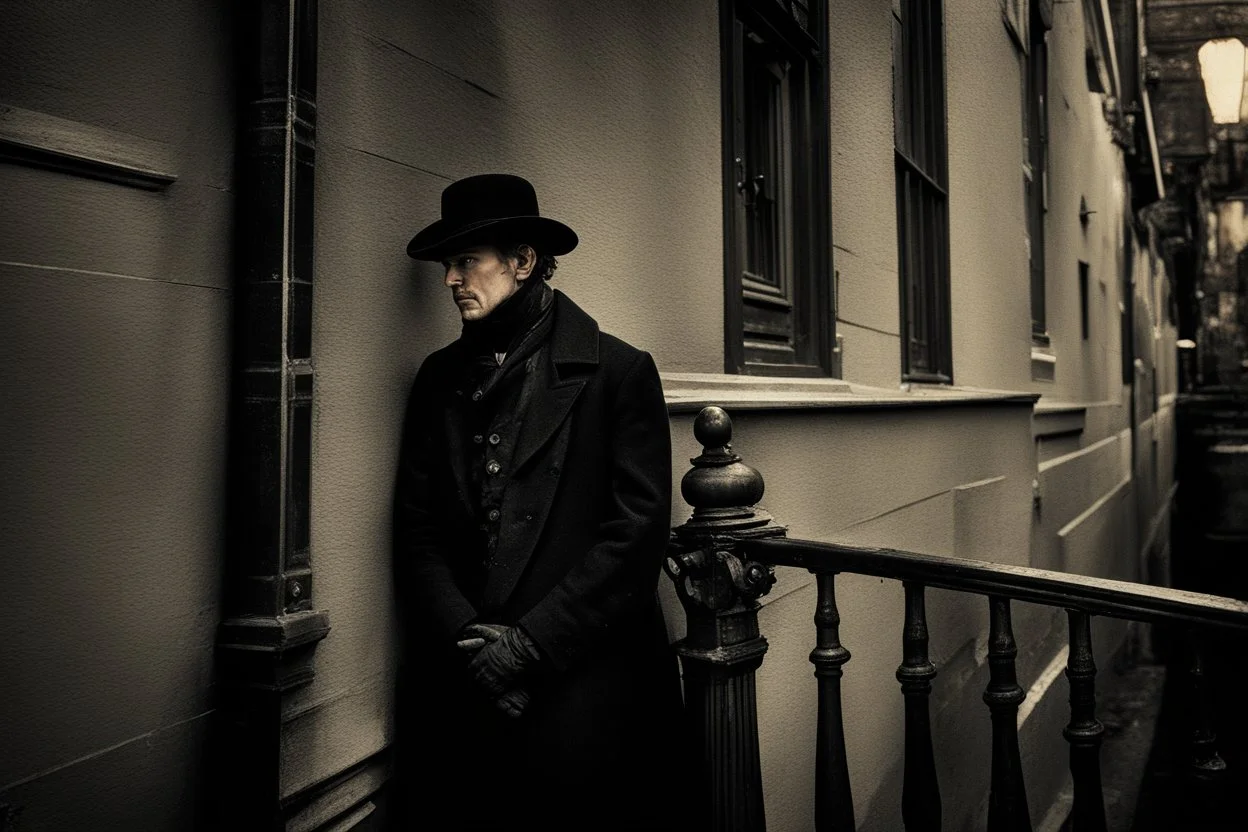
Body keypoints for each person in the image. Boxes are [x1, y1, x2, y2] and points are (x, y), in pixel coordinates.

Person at [390, 174, 689, 831]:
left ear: (524, 262)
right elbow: (415, 531)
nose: (450, 280)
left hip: (588, 695)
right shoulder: (437, 379)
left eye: (466, 261)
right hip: (464, 696)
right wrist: (475, 647)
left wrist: (526, 650)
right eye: (447, 264)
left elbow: (634, 539)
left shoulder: (619, 372)